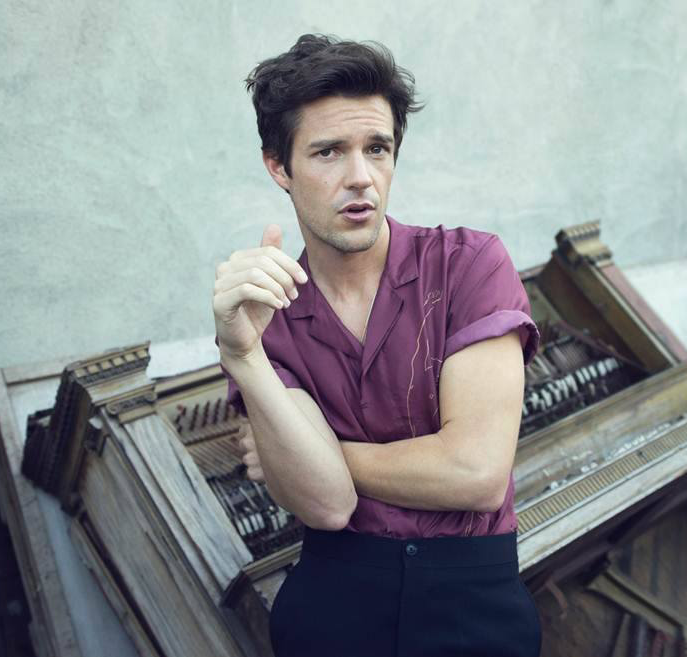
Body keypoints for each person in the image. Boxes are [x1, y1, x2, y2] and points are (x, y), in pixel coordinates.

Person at [212, 34, 542, 657]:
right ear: (279, 167)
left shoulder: (468, 264)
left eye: (377, 148)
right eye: (328, 152)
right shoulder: (264, 315)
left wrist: (323, 452)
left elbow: (475, 473)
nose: (361, 177)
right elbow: (328, 505)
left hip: (474, 600)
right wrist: (243, 358)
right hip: (332, 604)